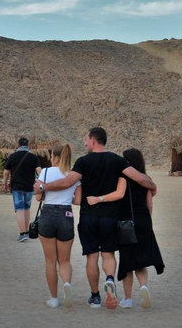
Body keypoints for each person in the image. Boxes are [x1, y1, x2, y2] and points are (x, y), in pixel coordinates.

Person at [34, 127, 157, 310]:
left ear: (93, 140)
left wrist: (44, 187)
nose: (84, 143)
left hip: (88, 216)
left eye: (86, 139)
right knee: (108, 254)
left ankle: (95, 297)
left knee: (92, 257)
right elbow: (138, 177)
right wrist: (152, 185)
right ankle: (109, 279)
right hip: (110, 217)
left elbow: (68, 182)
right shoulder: (117, 160)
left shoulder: (83, 162)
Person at [105, 148, 164, 309]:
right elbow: (150, 205)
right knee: (141, 260)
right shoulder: (146, 179)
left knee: (127, 261)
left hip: (126, 222)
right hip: (144, 220)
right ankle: (144, 287)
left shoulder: (121, 179)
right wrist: (145, 220)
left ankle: (128, 299)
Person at [35, 144, 82, 308]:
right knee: (64, 260)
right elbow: (78, 201)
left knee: (50, 261)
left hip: (47, 214)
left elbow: (38, 197)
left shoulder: (45, 172)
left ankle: (54, 298)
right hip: (66, 215)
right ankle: (67, 284)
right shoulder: (74, 176)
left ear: (54, 158)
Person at [4, 137, 42, 242]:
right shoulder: (33, 157)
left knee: (19, 208)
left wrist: (5, 183)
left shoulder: (13, 156)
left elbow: (6, 172)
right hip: (29, 186)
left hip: (17, 186)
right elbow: (39, 171)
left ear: (18, 145)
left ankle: (23, 233)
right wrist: (42, 182)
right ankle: (26, 231)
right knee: (26, 208)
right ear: (28, 145)